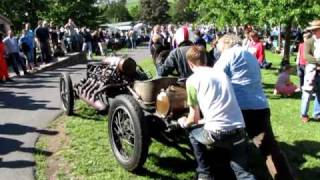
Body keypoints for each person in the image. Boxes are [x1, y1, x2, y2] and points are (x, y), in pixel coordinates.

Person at [213, 34, 295, 180]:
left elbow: (214, 78)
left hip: (242, 107)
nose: (218, 51)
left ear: (226, 43)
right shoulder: (249, 54)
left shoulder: (229, 54)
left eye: (219, 47)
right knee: (270, 149)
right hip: (260, 105)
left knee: (229, 145)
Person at [178, 45, 255, 180]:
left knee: (191, 132)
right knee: (243, 174)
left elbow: (194, 118)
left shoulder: (192, 80)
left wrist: (183, 122)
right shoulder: (222, 74)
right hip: (239, 129)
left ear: (189, 64)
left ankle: (204, 173)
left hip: (217, 134)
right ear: (206, 60)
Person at [300, 20, 320, 123]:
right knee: (307, 92)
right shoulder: (309, 41)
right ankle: (303, 114)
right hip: (311, 70)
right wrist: (318, 63)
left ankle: (317, 113)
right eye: (313, 30)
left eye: (316, 30)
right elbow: (306, 56)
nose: (314, 32)